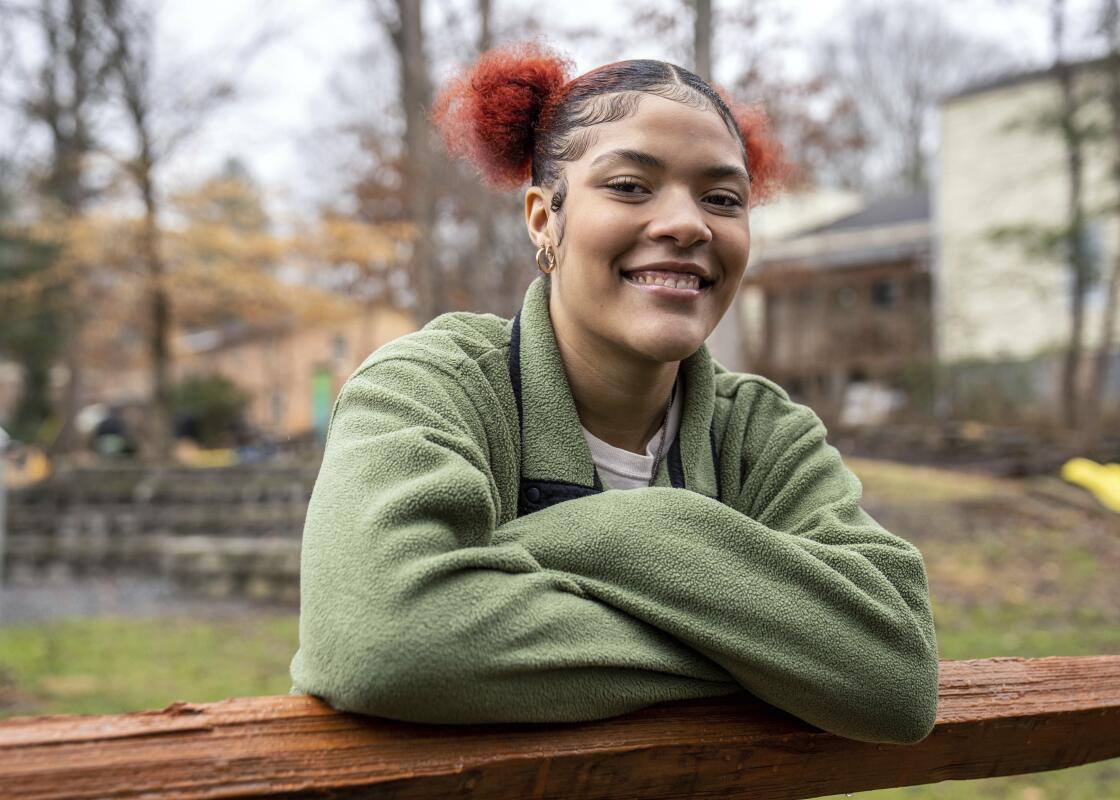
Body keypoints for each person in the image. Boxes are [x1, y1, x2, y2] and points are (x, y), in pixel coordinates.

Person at [288, 44, 940, 745]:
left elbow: (895, 673)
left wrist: (620, 531)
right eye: (630, 186)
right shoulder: (429, 386)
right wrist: (765, 649)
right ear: (544, 219)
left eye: (723, 199)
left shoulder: (764, 433)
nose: (688, 224)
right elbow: (386, 641)